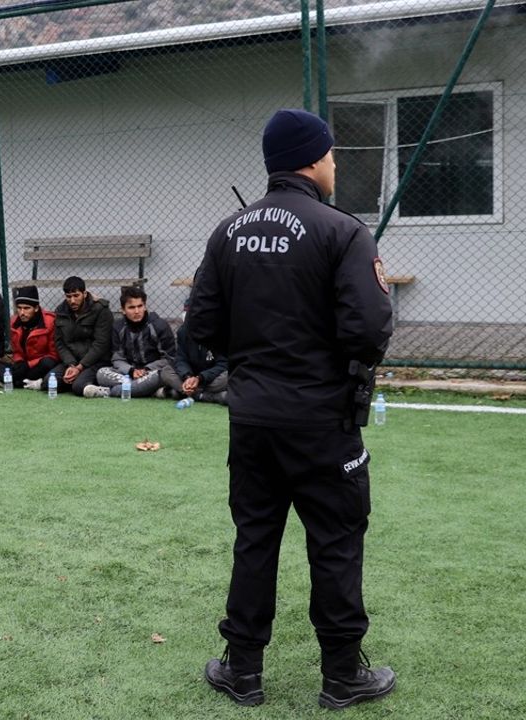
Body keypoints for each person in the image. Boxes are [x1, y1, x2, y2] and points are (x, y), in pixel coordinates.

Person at [189, 108, 395, 710]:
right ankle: (342, 677)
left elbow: (201, 327)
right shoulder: (343, 231)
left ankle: (243, 671)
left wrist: (253, 356)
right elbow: (369, 332)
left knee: (255, 538)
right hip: (322, 420)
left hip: (251, 416)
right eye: (332, 154)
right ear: (311, 158)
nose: (335, 164)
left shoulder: (228, 232)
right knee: (335, 540)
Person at [83, 284, 178, 399]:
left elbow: (169, 359)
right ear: (123, 310)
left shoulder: (159, 325)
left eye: (140, 306)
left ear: (145, 306)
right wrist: (131, 371)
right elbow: (117, 358)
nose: (137, 311)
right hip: (129, 374)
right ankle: (149, 391)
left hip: (152, 373)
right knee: (101, 373)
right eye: (131, 308)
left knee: (164, 375)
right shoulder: (118, 327)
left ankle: (110, 392)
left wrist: (146, 369)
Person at [48, 276, 112, 396]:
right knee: (49, 383)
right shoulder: (61, 312)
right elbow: (59, 342)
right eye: (68, 296)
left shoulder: (101, 310)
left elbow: (101, 343)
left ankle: (105, 390)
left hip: (96, 361)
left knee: (79, 387)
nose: (72, 300)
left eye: (76, 296)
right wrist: (71, 365)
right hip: (73, 361)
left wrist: (80, 367)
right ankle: (76, 380)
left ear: (85, 294)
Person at [175, 299, 228, 405]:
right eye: (186, 312)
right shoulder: (183, 332)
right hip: (190, 378)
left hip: (211, 378)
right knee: (166, 371)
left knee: (230, 375)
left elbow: (224, 364)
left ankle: (186, 393)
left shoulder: (220, 332)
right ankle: (209, 396)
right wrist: (188, 377)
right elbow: (181, 359)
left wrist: (200, 378)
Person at [6, 286, 59, 388]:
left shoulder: (50, 322)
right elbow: (16, 351)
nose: (22, 312)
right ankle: (22, 381)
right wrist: (19, 361)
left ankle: (17, 381)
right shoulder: (14, 322)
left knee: (48, 363)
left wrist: (29, 365)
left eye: (26, 308)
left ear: (36, 308)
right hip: (24, 365)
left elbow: (54, 355)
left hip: (41, 364)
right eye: (19, 308)